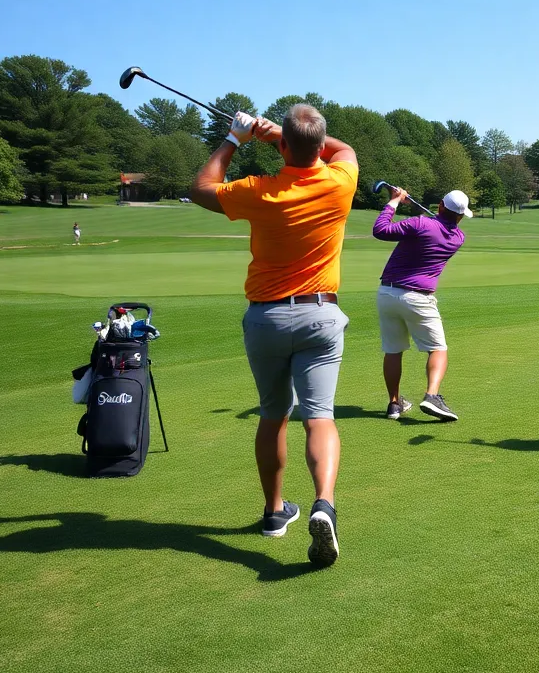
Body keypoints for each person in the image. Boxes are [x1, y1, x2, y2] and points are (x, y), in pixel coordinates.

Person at [190, 104, 357, 567]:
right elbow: (343, 148)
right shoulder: (340, 181)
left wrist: (235, 139)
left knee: (273, 414)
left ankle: (273, 512)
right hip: (321, 315)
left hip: (266, 318)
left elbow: (201, 189)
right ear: (318, 146)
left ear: (283, 145)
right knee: (319, 416)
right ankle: (324, 503)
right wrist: (281, 138)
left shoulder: (261, 190)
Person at [373, 187, 470, 422]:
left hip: (387, 293)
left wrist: (395, 201)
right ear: (460, 216)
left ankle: (394, 404)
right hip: (419, 299)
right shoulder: (458, 238)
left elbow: (380, 230)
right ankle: (432, 395)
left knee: (393, 350)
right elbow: (436, 227)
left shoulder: (419, 223)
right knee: (438, 348)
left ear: (440, 206)